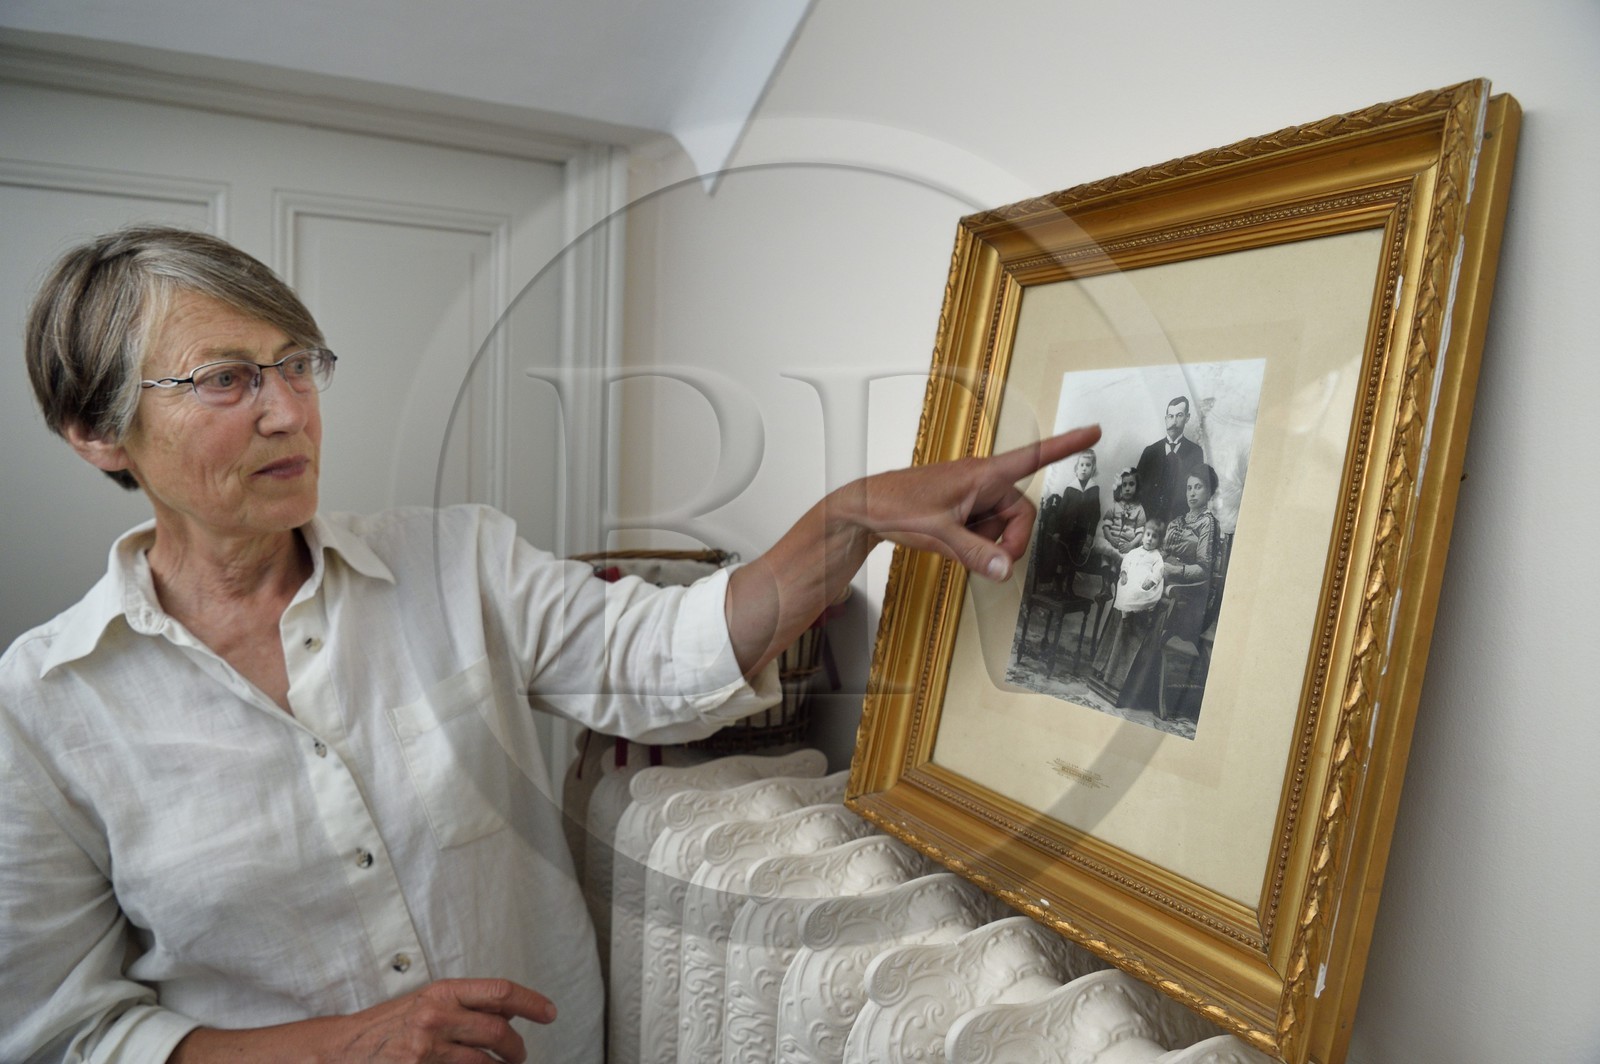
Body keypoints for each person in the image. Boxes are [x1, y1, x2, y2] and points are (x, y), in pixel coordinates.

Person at [0, 226, 1099, 1064]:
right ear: (97, 432)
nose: (288, 409)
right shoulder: (42, 705)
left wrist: (848, 513)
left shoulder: (460, 561)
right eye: (225, 378)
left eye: (297, 363)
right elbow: (67, 1028)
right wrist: (346, 1043)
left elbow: (660, 659)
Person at [1117, 464, 1221, 715]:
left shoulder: (1209, 525)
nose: (1192, 493)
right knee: (1129, 589)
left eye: (1199, 487)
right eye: (1189, 488)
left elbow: (1205, 570)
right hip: (1163, 581)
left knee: (1156, 604)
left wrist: (1171, 572)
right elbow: (1161, 553)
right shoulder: (1177, 521)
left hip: (1188, 597)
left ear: (1210, 493)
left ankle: (1137, 693)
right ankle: (1113, 676)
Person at [1089, 517, 1165, 692]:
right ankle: (1125, 611)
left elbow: (1159, 572)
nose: (1149, 539)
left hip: (1143, 585)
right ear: (1143, 534)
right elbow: (1126, 562)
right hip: (1130, 582)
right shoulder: (1135, 552)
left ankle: (1131, 611)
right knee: (1125, 589)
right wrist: (1123, 573)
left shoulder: (1156, 557)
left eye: (1154, 537)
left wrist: (1151, 580)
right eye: (1147, 534)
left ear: (1159, 540)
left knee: (1138, 591)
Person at [1132, 396, 1205, 522]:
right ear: (1166, 419)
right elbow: (1136, 489)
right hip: (1148, 522)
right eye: (1170, 416)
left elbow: (1196, 491)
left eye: (1179, 415)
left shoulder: (1195, 452)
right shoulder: (1150, 451)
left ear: (1187, 418)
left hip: (1179, 521)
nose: (1174, 421)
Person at [1055, 448, 1100, 570]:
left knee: (1074, 558)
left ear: (1093, 469)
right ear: (1077, 468)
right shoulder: (1070, 489)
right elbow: (1061, 511)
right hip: (1066, 529)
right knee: (1061, 557)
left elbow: (1096, 514)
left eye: (1088, 465)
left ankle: (1069, 585)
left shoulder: (1094, 489)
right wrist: (1057, 531)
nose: (1084, 468)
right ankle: (1057, 584)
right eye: (1082, 465)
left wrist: (1090, 535)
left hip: (1081, 531)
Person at [1093, 467, 1146, 563]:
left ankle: (1112, 574)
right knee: (1106, 554)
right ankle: (1105, 575)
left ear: (1137, 487)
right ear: (1120, 487)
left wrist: (1131, 545)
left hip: (1127, 545)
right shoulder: (1115, 505)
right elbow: (1106, 526)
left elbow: (1140, 533)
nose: (1127, 488)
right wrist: (1111, 539)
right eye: (1124, 485)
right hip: (1111, 541)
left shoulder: (1139, 509)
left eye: (1131, 484)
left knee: (1119, 560)